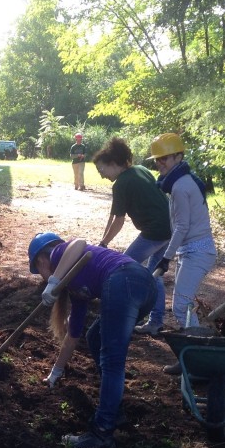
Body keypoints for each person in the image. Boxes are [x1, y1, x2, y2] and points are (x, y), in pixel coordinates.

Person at [28, 231, 157, 448]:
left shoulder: (59, 254)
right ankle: (114, 412)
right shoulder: (77, 287)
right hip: (144, 287)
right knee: (94, 337)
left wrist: (53, 280)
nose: (40, 277)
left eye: (38, 270)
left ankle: (102, 432)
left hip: (123, 280)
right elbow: (73, 336)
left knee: (112, 361)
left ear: (41, 260)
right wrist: (56, 372)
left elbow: (79, 243)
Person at [147, 132, 217, 374]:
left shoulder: (180, 186)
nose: (160, 163)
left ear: (178, 156)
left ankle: (197, 361)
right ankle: (194, 358)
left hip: (198, 251)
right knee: (182, 305)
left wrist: (166, 258)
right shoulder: (181, 181)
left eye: (165, 158)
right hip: (191, 250)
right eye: (157, 159)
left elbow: (182, 227)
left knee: (181, 306)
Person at [91, 137, 171, 335]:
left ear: (112, 164)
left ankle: (121, 314)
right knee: (155, 274)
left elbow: (119, 220)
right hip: (170, 227)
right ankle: (156, 322)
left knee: (122, 267)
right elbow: (114, 215)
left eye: (102, 170)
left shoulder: (121, 183)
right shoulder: (139, 171)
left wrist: (104, 243)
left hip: (155, 231)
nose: (102, 176)